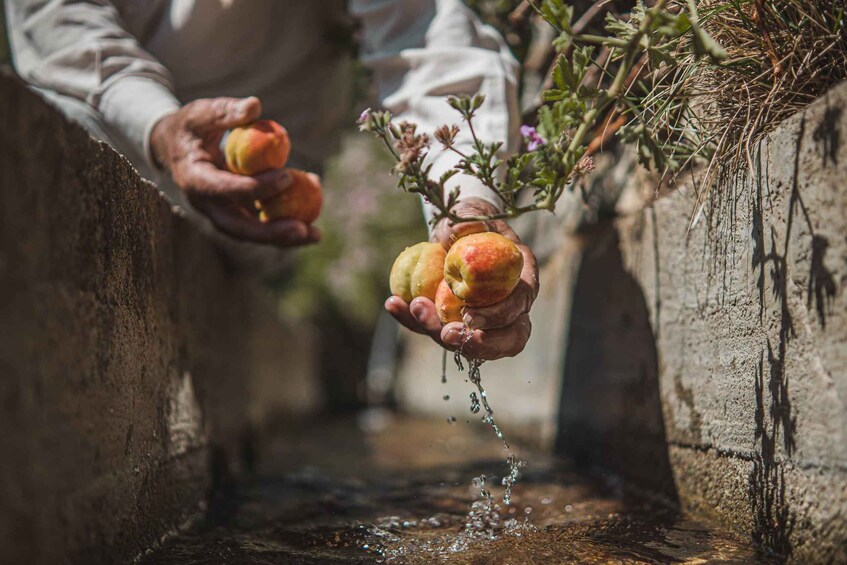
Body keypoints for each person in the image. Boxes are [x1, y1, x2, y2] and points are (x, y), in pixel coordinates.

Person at [5, 0, 538, 360]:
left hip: (276, 198)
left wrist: (468, 206)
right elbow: (57, 18)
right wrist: (158, 125)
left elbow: (428, 34)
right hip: (117, 125)